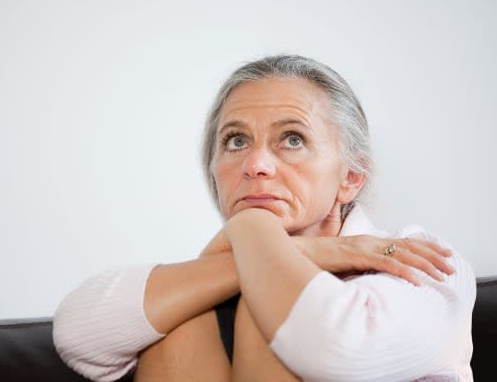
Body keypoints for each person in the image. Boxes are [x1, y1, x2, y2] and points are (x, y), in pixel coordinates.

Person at [53, 55, 475, 382]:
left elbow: (337, 347)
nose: (255, 165)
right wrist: (313, 249)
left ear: (350, 178)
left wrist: (250, 227)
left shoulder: (426, 261)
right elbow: (77, 333)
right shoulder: (214, 282)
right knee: (174, 326)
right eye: (236, 141)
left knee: (264, 315)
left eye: (292, 139)